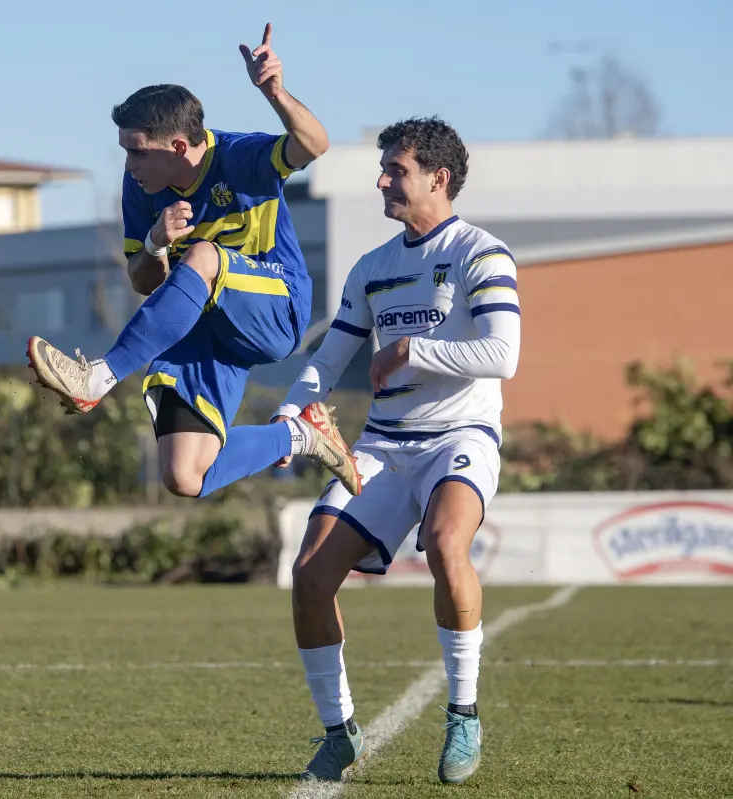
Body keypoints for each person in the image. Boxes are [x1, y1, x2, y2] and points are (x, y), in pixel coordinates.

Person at [274, 117, 521, 785]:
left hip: (462, 438)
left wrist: (414, 347)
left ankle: (463, 713)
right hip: (384, 443)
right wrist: (286, 416)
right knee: (310, 573)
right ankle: (339, 730)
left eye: (396, 169)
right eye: (382, 168)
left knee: (446, 544)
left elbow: (504, 355)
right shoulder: (373, 267)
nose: (382, 179)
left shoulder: (483, 253)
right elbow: (328, 358)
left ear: (438, 178)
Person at [27, 23, 361, 499]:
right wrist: (155, 245)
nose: (127, 166)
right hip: (203, 328)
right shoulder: (140, 188)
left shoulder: (241, 156)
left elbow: (314, 144)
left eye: (136, 152)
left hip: (276, 309)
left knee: (205, 255)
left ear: (178, 146)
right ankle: (305, 434)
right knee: (185, 476)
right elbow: (145, 282)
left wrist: (276, 92)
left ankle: (97, 377)